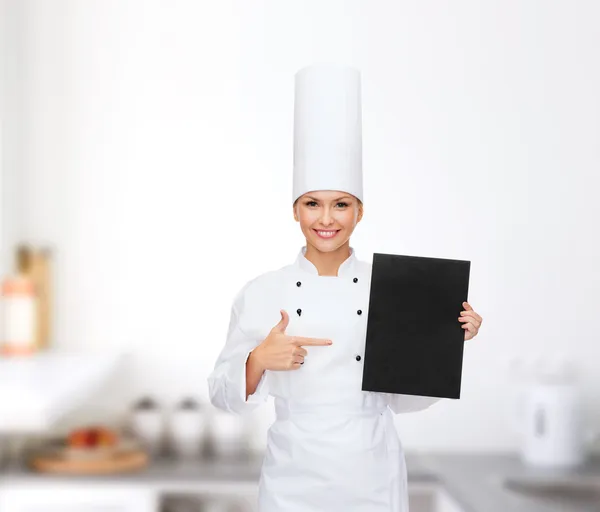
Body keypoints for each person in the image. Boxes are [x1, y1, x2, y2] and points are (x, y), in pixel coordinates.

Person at [208, 64, 483, 512]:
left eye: (341, 205)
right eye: (312, 204)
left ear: (359, 212)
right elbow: (223, 397)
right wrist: (256, 361)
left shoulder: (394, 288)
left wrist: (447, 340)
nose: (326, 219)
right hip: (292, 482)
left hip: (371, 477)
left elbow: (403, 399)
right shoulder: (262, 291)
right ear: (295, 211)